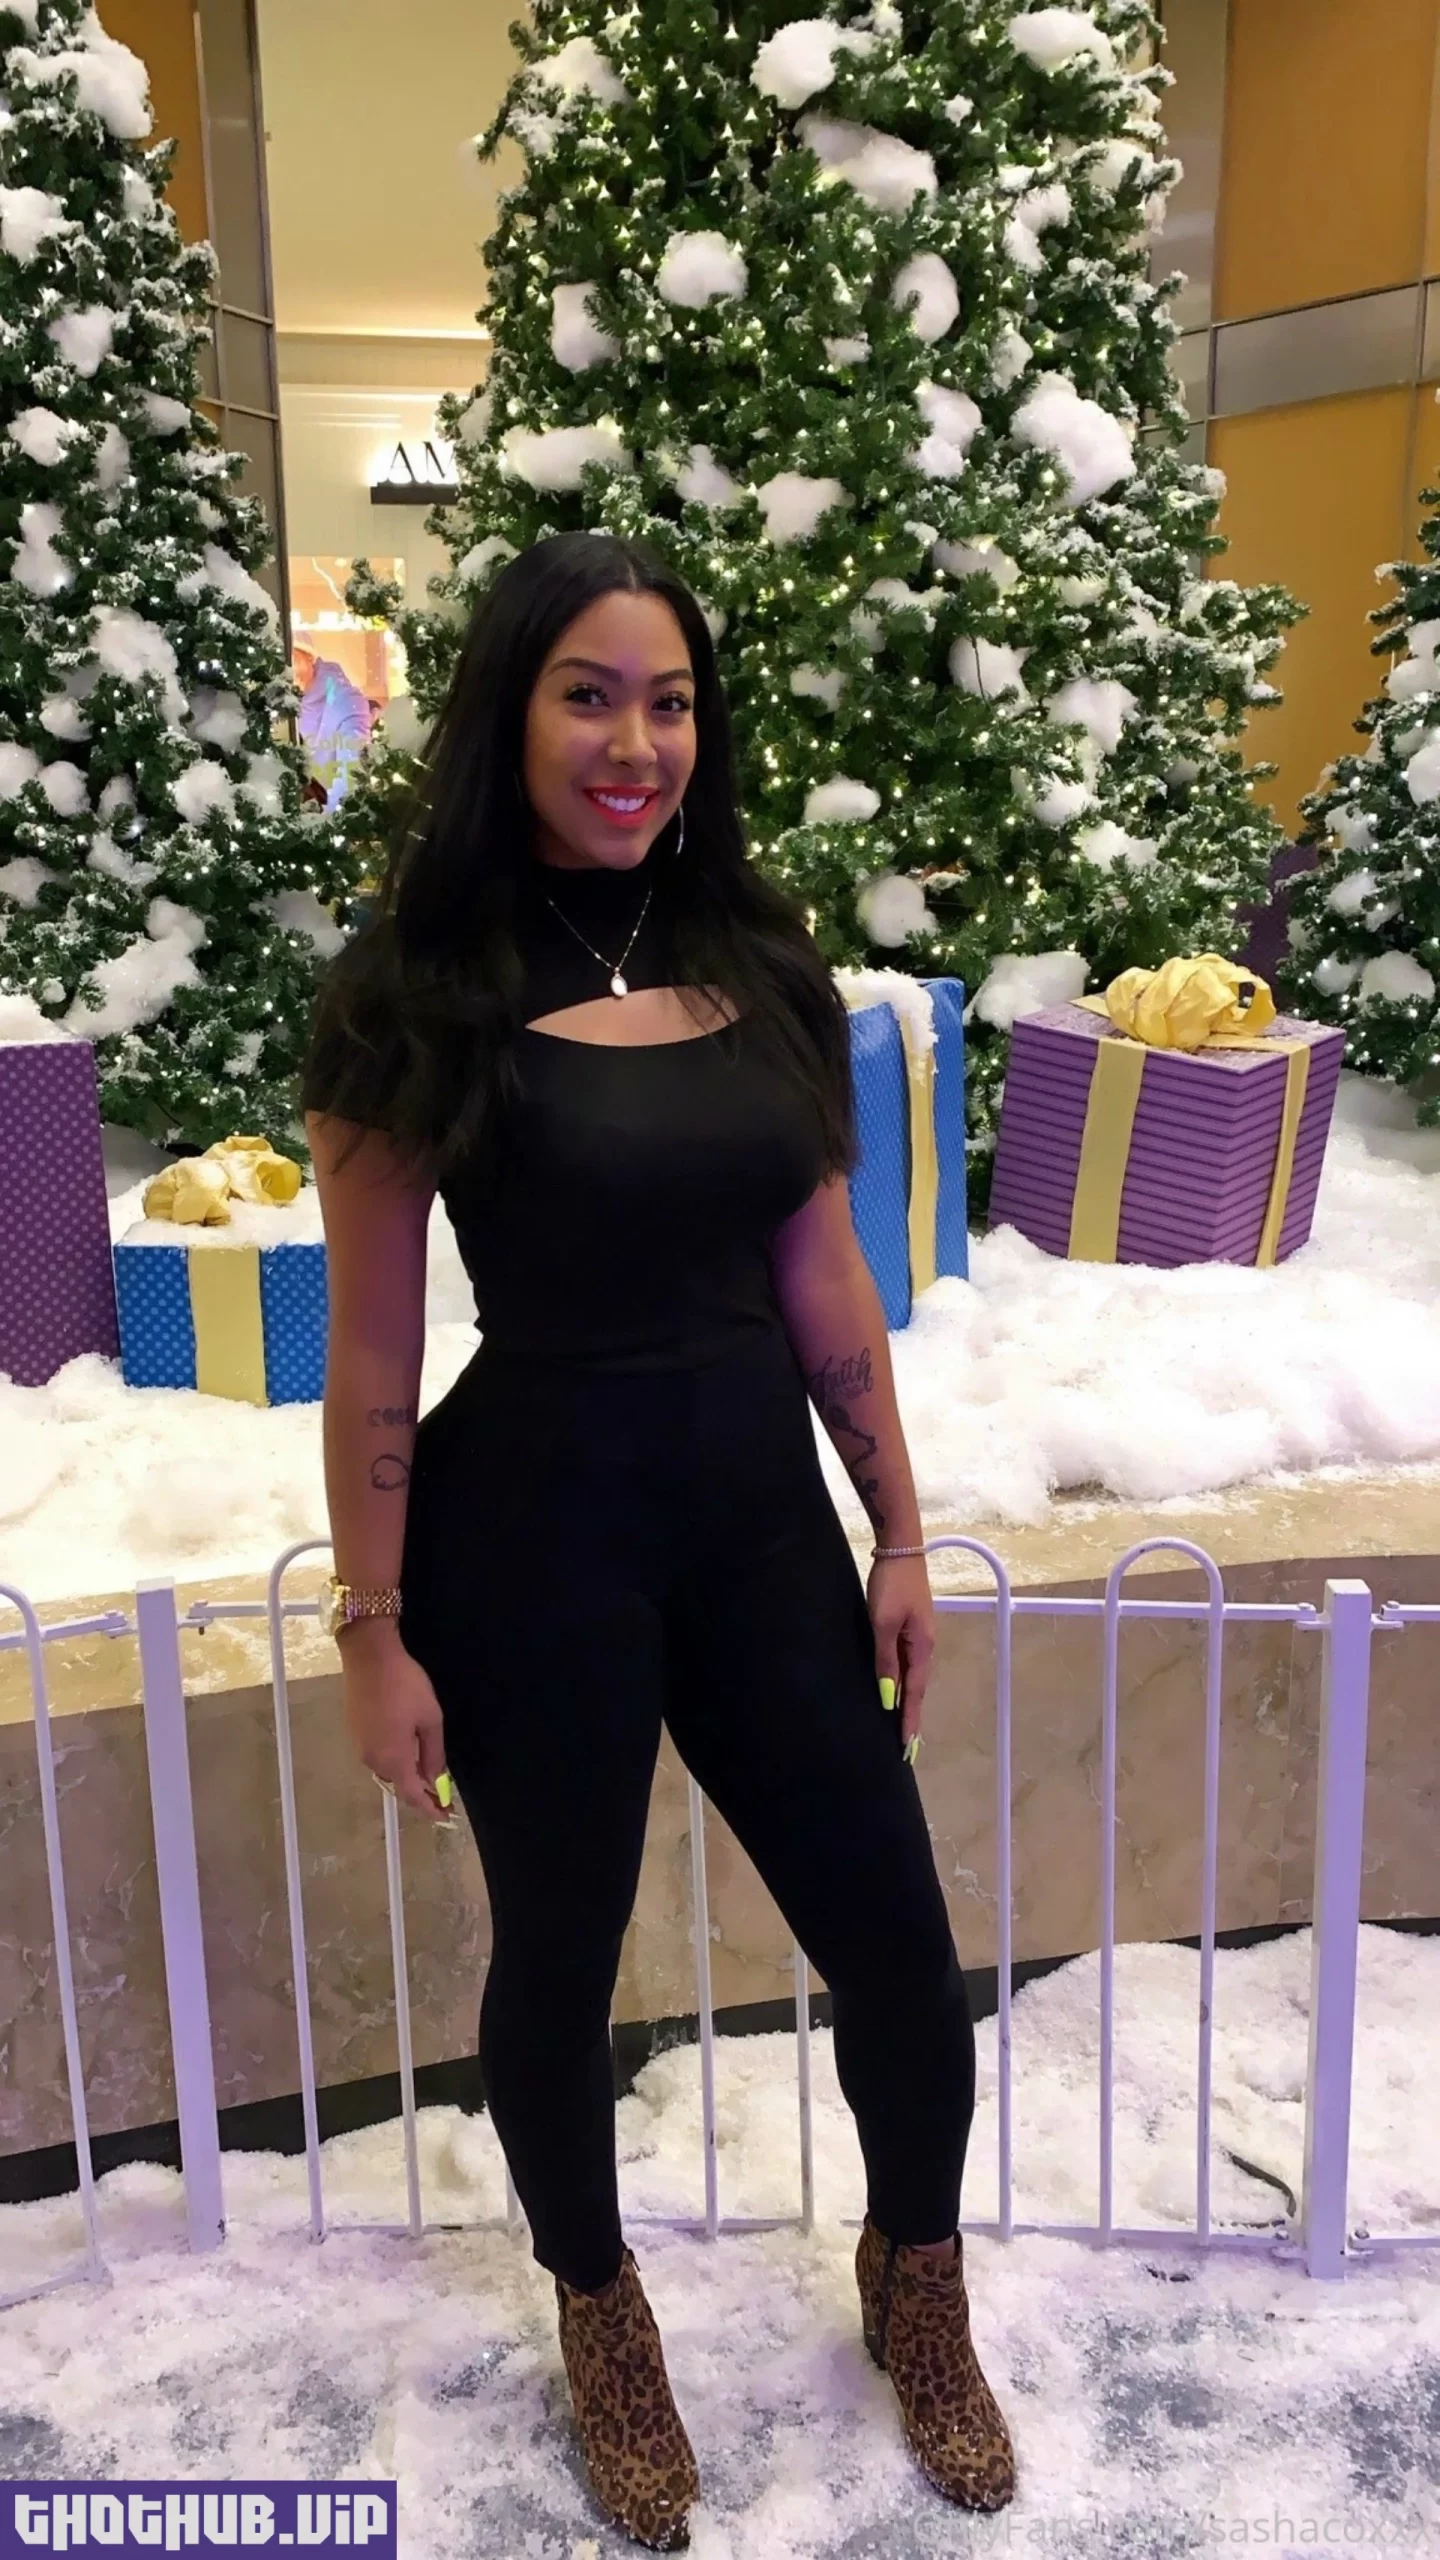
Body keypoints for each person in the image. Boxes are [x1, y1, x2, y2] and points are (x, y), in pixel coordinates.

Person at [300, 533, 1014, 2551]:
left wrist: (898, 1527)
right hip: (531, 1545)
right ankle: (601, 2314)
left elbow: (827, 1276)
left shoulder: (759, 959)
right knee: (560, 1965)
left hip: (759, 1534)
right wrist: (372, 1623)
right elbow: (371, 1351)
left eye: (671, 701)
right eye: (590, 696)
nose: (636, 743)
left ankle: (918, 2280)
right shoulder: (413, 994)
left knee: (902, 1951)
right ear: (509, 711)